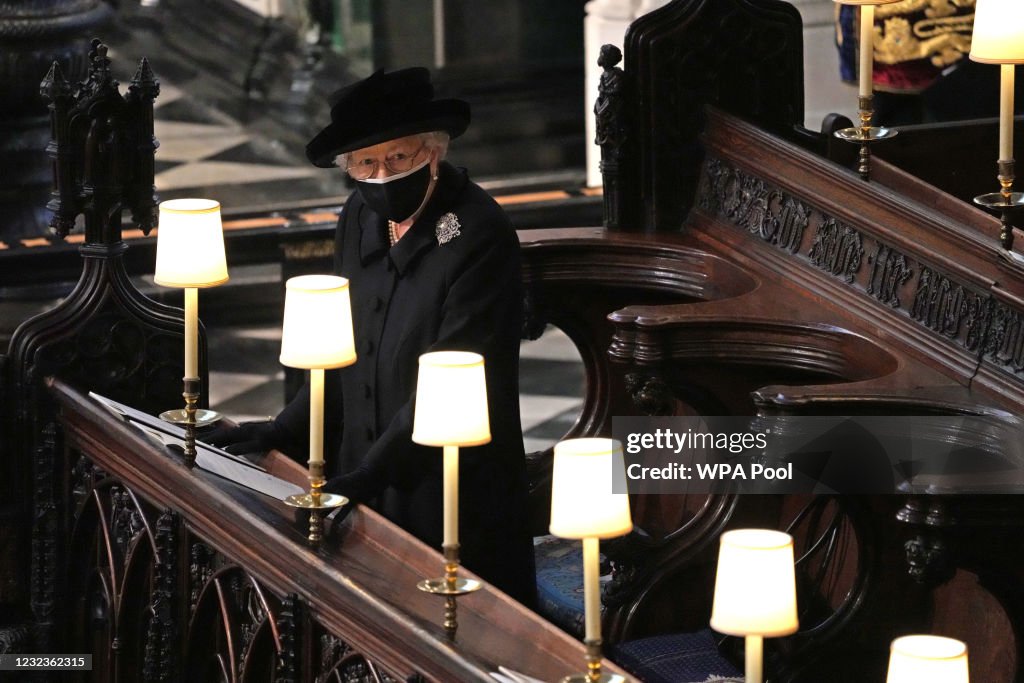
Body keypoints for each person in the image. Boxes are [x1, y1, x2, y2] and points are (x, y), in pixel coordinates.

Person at [211, 67, 537, 607]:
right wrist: (282, 428)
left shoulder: (478, 233)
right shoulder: (359, 215)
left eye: (398, 157)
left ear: (433, 152)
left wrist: (369, 477)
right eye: (365, 162)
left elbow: (454, 372)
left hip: (445, 482)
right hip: (360, 469)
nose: (381, 174)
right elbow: (343, 347)